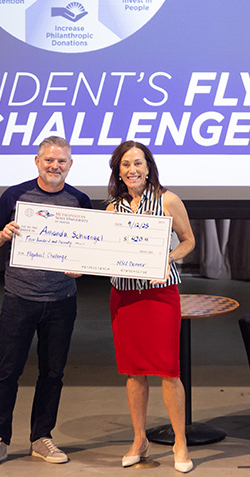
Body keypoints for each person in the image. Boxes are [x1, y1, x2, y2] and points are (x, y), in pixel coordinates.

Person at [0, 136, 93, 468]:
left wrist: (83, 267)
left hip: (61, 301)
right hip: (19, 298)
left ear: (70, 165)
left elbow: (90, 247)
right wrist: (2, 235)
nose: (55, 166)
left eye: (62, 161)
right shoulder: (15, 195)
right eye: (49, 160)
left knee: (53, 373)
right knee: (7, 371)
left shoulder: (80, 200)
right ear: (37, 161)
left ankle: (41, 438)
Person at [105, 141, 196, 473]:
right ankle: (139, 439)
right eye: (126, 164)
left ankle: (180, 442)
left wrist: (165, 259)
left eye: (138, 163)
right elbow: (106, 253)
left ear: (149, 167)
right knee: (134, 372)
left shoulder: (168, 200)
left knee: (169, 371)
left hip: (160, 295)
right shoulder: (112, 209)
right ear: (118, 171)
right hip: (125, 297)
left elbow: (189, 241)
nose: (133, 170)